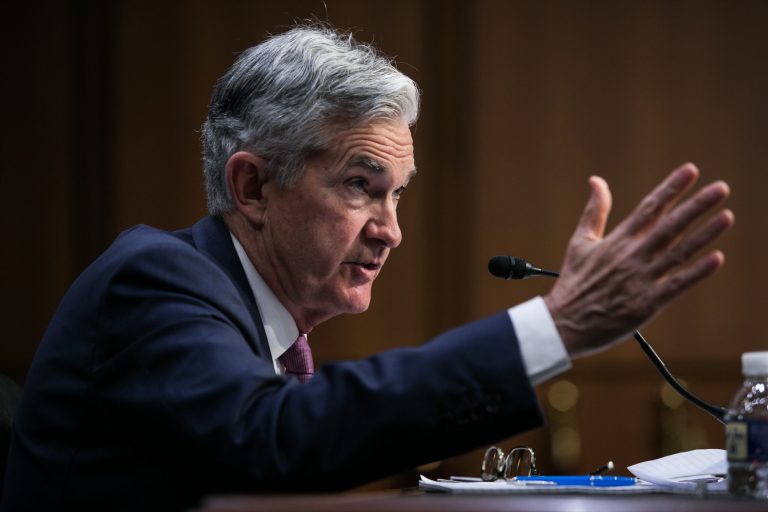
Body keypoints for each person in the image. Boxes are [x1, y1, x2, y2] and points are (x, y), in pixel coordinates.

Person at [1, 24, 733, 511]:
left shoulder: (239, 309)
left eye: (397, 195)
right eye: (360, 186)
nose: (391, 232)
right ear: (252, 186)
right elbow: (279, 441)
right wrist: (557, 327)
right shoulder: (155, 282)